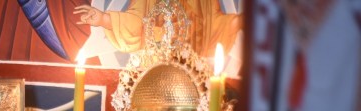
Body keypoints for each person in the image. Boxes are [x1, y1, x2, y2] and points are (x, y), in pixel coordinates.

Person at [74, 0, 242, 61]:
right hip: (153, 74)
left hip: (190, 76)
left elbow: (213, 28)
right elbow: (137, 23)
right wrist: (103, 19)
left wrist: (239, 21)